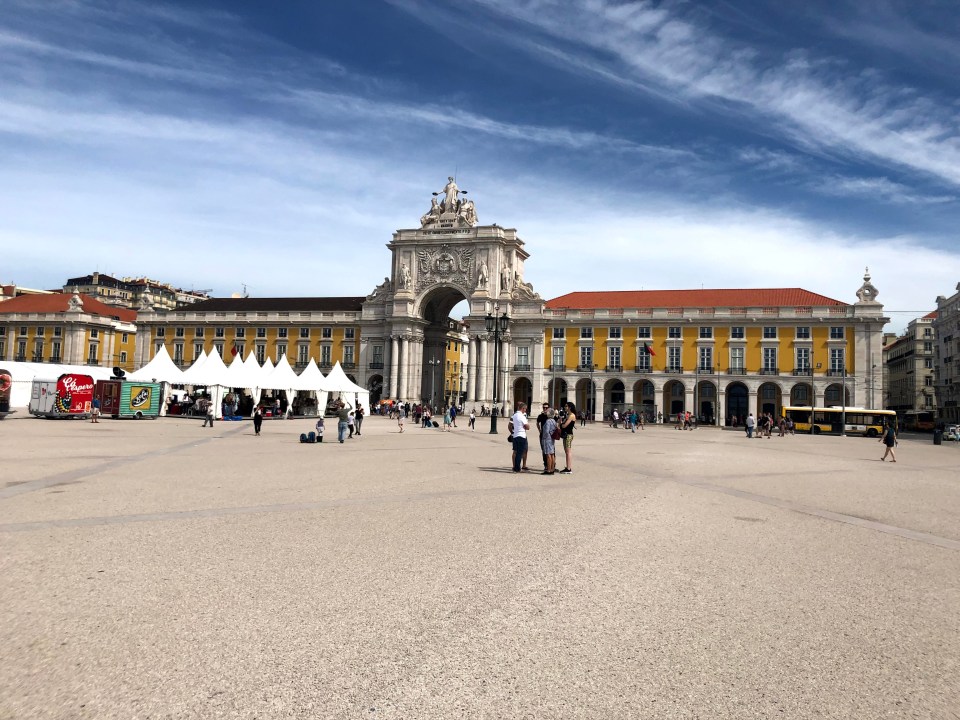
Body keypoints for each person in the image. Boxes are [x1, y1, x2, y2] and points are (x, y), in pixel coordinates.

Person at [509, 401, 530, 473]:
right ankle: (517, 468)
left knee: (516, 451)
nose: (526, 410)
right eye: (525, 409)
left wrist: (512, 432)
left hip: (515, 435)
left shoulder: (514, 415)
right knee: (519, 453)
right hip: (521, 436)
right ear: (523, 408)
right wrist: (525, 426)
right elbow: (528, 427)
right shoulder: (522, 416)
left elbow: (511, 425)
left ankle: (515, 466)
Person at [559, 402, 576, 474]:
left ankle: (569, 469)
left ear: (570, 407)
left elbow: (564, 425)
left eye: (566, 406)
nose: (565, 407)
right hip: (566, 435)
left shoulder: (571, 415)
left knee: (568, 452)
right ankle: (567, 467)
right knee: (566, 452)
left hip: (569, 435)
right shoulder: (568, 415)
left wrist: (561, 423)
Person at [541, 408, 558, 475]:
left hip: (547, 439)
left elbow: (546, 431)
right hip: (552, 439)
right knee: (552, 454)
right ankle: (552, 469)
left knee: (548, 455)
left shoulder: (548, 421)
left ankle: (548, 470)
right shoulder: (553, 420)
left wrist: (544, 438)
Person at [536, 403, 550, 470]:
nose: (545, 409)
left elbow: (556, 422)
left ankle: (552, 465)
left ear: (549, 408)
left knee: (552, 451)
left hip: (550, 436)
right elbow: (537, 423)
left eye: (546, 408)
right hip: (542, 435)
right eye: (544, 407)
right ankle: (546, 465)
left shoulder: (551, 416)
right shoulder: (540, 416)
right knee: (544, 450)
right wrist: (539, 430)